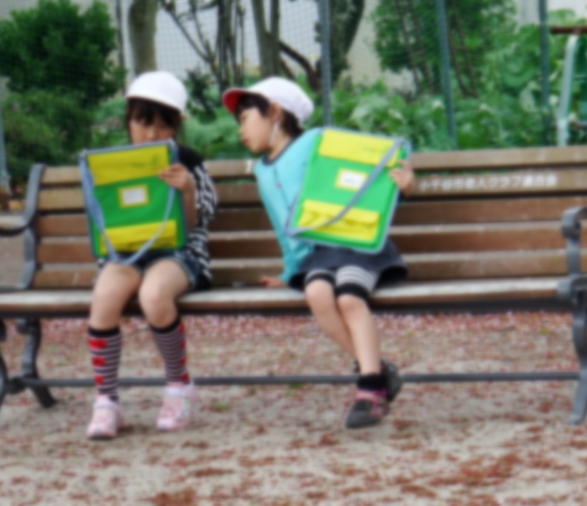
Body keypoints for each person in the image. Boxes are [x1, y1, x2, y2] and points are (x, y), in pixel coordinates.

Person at [222, 76, 415, 429]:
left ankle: (370, 389)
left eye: (245, 118)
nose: (240, 130)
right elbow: (283, 227)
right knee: (317, 294)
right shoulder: (262, 170)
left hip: (357, 244)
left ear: (275, 113)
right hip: (319, 256)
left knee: (349, 298)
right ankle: (378, 370)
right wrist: (289, 273)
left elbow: (363, 174)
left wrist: (402, 188)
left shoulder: (316, 142)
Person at [86, 71, 217, 439]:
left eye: (163, 126)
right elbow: (101, 219)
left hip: (179, 252)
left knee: (154, 294)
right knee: (105, 296)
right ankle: (106, 401)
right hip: (126, 253)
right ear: (128, 119)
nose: (150, 134)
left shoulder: (187, 160)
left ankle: (178, 385)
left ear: (176, 126)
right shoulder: (111, 163)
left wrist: (188, 191)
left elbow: (196, 224)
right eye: (142, 123)